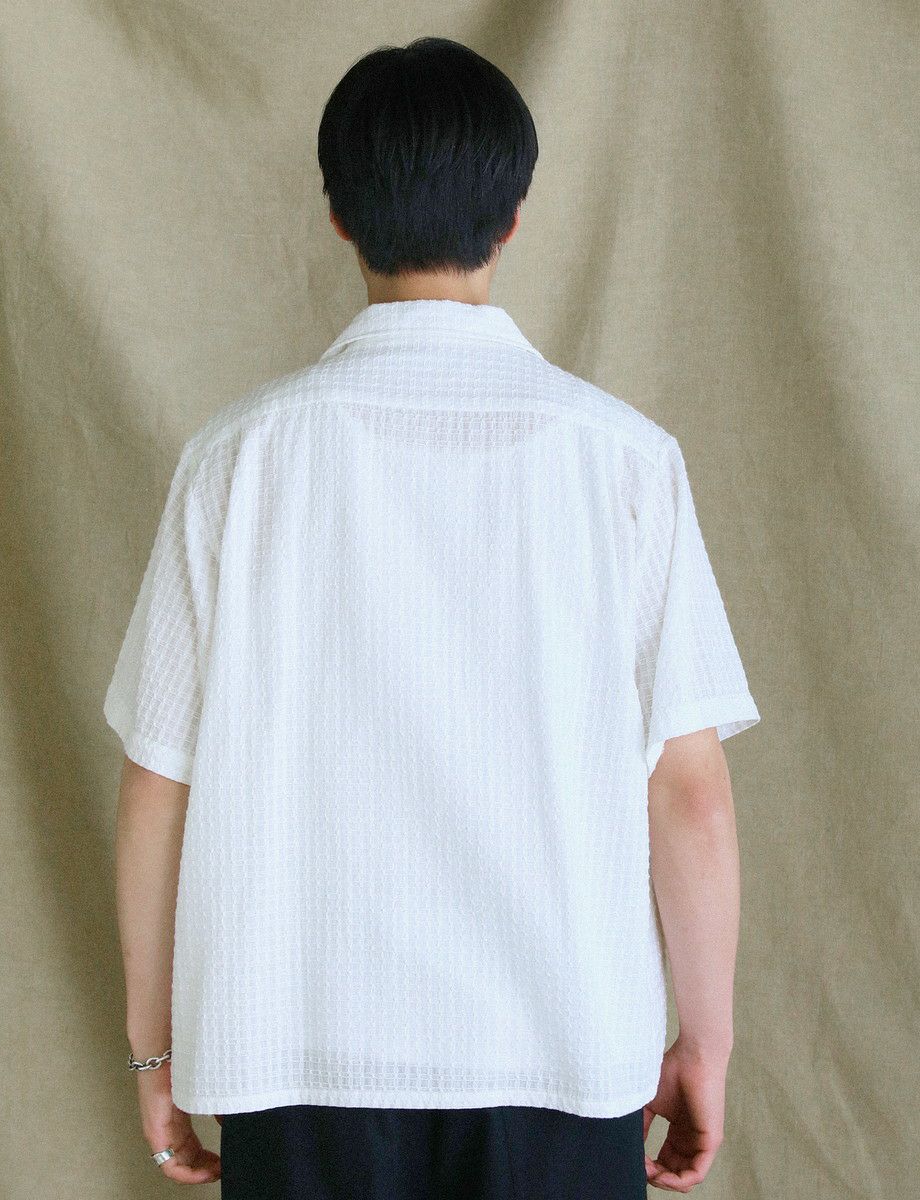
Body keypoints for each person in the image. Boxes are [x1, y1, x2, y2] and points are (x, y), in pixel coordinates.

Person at [106, 35, 761, 1199]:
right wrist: (701, 1045)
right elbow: (691, 796)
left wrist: (155, 1055)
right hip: (562, 1052)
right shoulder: (623, 462)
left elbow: (160, 784)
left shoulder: (234, 462)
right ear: (512, 216)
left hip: (292, 1051)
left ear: (339, 216)